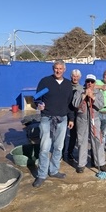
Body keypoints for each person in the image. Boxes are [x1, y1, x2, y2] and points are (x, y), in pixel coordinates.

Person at [32, 60, 74, 188]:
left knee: (59, 147)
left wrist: (71, 118)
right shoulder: (45, 82)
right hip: (47, 119)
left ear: (64, 69)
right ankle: (42, 174)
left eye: (60, 68)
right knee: (45, 148)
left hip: (62, 120)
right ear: (53, 68)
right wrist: (39, 104)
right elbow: (37, 97)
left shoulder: (68, 84)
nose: (58, 70)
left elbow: (69, 104)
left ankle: (54, 170)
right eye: (56, 68)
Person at [72, 74, 106, 174]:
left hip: (95, 119)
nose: (90, 83)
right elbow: (75, 104)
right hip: (82, 119)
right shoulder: (79, 91)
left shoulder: (98, 93)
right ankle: (81, 164)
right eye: (88, 81)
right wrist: (84, 95)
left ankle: (101, 163)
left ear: (95, 83)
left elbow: (101, 105)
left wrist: (93, 97)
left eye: (92, 82)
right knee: (82, 141)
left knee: (97, 140)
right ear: (85, 82)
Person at [62, 69, 83, 161]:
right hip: (64, 112)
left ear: (79, 77)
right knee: (62, 134)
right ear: (71, 76)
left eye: (77, 76)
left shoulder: (81, 88)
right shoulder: (66, 86)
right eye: (74, 76)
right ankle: (62, 153)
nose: (75, 78)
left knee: (73, 135)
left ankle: (70, 152)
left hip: (75, 114)